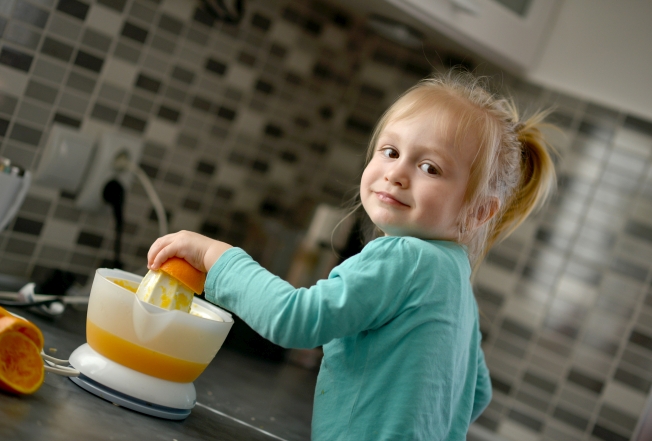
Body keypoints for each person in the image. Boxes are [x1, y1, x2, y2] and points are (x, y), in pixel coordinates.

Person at [146, 70, 556, 440]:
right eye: (391, 152)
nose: (397, 172)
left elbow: (295, 320)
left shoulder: (404, 257)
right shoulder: (455, 280)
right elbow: (476, 393)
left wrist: (216, 256)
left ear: (478, 211)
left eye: (430, 168)